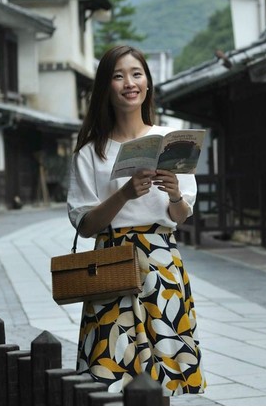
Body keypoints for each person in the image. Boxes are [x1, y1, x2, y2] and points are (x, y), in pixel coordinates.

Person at [66, 45, 207, 398]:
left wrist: (175, 194)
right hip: (110, 263)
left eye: (136, 74)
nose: (129, 83)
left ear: (147, 83)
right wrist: (124, 194)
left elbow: (179, 217)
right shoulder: (91, 152)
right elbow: (85, 226)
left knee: (167, 366)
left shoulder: (172, 140)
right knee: (109, 364)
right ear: (106, 87)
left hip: (161, 263)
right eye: (118, 75)